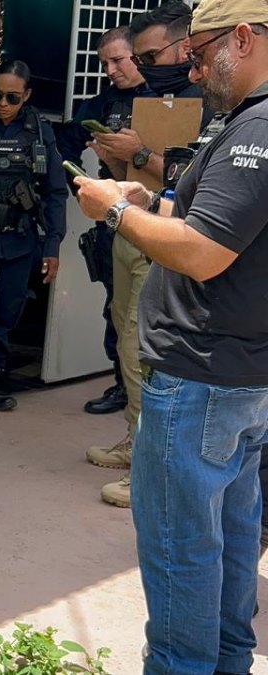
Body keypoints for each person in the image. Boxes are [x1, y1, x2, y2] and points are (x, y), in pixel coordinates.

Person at [74, 1, 268, 670]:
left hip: (200, 377)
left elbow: (204, 251)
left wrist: (114, 211)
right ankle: (226, 660)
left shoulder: (256, 128)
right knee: (231, 538)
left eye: (200, 52)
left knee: (181, 547)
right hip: (236, 375)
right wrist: (147, 201)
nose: (191, 69)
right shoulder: (243, 122)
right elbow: (213, 220)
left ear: (242, 39)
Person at [88, 0, 219, 509]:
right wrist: (118, 161)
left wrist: (139, 155)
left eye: (147, 57)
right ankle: (134, 441)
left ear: (184, 47)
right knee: (124, 337)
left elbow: (192, 182)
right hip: (133, 228)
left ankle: (147, 465)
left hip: (166, 237)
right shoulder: (145, 100)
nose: (141, 68)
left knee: (139, 348)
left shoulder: (211, 104)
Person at [0, 60, 68, 415]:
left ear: (27, 95)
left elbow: (55, 192)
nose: (2, 104)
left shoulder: (39, 131)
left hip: (21, 243)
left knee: (5, 319)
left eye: (12, 97)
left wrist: (52, 245)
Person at [58, 25, 152, 418]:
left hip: (156, 218)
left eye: (118, 60)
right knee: (116, 309)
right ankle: (122, 386)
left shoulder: (167, 97)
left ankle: (147, 400)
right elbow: (66, 144)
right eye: (104, 63)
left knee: (145, 319)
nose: (111, 70)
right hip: (114, 220)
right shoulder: (103, 104)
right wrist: (85, 188)